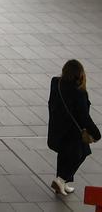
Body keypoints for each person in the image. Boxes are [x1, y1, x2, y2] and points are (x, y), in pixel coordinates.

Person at [48, 59, 101, 196]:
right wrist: (96, 134)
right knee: (82, 153)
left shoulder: (56, 82)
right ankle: (61, 179)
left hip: (58, 129)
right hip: (72, 132)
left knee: (64, 154)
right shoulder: (79, 92)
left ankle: (62, 183)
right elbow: (84, 117)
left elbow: (52, 103)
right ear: (80, 74)